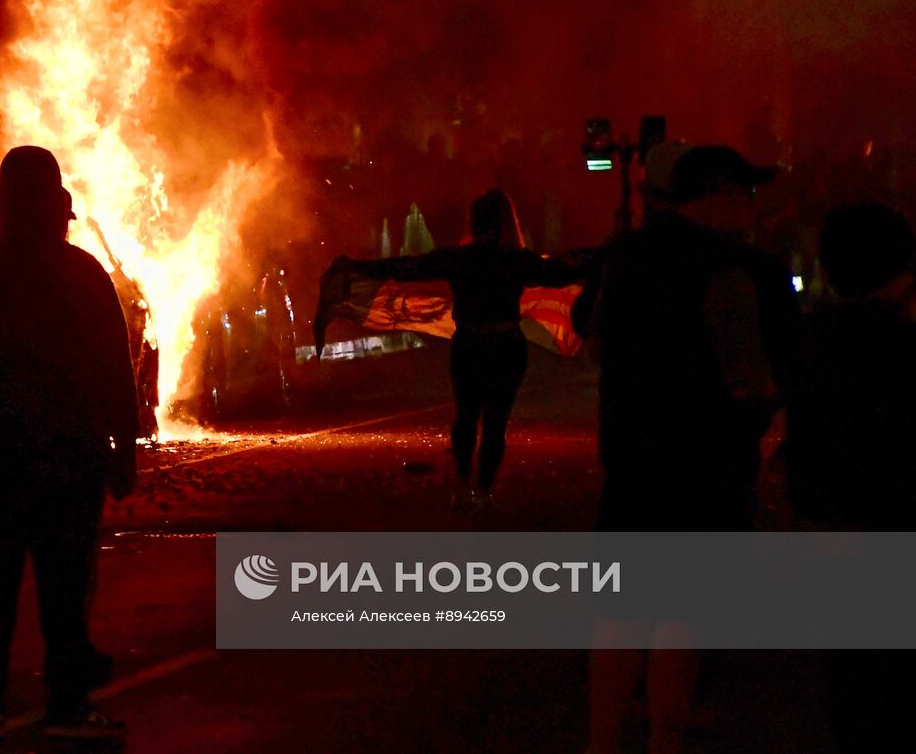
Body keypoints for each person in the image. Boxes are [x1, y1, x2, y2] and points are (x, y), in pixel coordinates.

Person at [576, 144, 793, 754]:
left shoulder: (624, 259)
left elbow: (592, 340)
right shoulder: (739, 272)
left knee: (618, 615)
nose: (751, 206)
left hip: (632, 469)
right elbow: (750, 380)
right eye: (744, 193)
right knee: (684, 619)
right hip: (707, 474)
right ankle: (663, 741)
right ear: (717, 196)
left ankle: (602, 741)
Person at [0, 146, 138, 741]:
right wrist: (124, 447)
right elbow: (115, 368)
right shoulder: (83, 272)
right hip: (69, 459)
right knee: (67, 589)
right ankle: (67, 704)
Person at [333, 189, 586, 505]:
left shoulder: (461, 259)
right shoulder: (517, 260)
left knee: (466, 416)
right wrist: (600, 258)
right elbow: (560, 273)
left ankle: (464, 483)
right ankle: (483, 488)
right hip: (506, 345)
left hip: (470, 344)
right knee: (496, 421)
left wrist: (358, 266)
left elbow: (408, 266)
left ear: (474, 220)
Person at [784, 202, 916, 754]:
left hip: (837, 531)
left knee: (852, 682)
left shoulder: (815, 340)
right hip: (897, 529)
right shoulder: (902, 348)